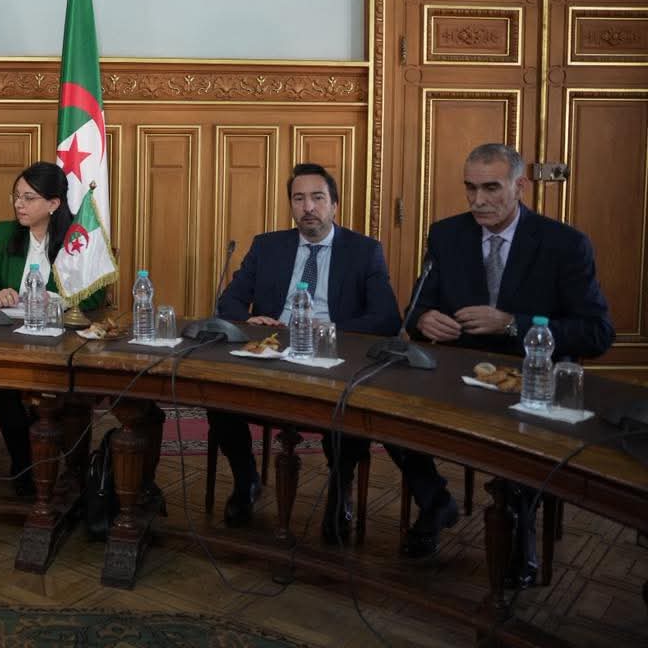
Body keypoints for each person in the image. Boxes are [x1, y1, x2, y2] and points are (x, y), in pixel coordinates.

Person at [396, 143, 612, 584]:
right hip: (458, 372)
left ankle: (519, 526)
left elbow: (596, 333)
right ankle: (435, 502)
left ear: (520, 186)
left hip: (529, 377)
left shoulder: (564, 244)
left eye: (491, 188)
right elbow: (417, 307)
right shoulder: (446, 234)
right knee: (392, 415)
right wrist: (424, 319)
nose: (478, 201)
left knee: (520, 443)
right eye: (470, 188)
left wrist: (513, 324)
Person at [210, 163, 400, 542]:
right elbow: (228, 302)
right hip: (272, 352)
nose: (308, 207)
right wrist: (251, 321)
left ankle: (339, 491)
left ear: (334, 205)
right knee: (217, 398)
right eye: (299, 199)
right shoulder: (268, 246)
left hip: (333, 356)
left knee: (348, 409)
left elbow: (387, 319)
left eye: (317, 198)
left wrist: (328, 330)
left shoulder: (364, 251)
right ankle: (247, 481)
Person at [0, 161, 105, 496]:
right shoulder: (6, 233)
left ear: (53, 203)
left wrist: (56, 299)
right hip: (10, 340)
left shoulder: (77, 237)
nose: (19, 204)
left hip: (60, 342)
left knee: (64, 393)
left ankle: (68, 468)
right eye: (16, 196)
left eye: (28, 198)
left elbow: (95, 295)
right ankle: (24, 457)